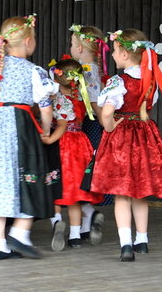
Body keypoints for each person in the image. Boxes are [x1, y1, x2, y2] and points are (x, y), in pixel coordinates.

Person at [0, 15, 59, 261]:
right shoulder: (33, 71)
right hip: (20, 124)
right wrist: (44, 130)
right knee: (30, 176)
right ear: (29, 41)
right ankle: (20, 232)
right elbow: (45, 106)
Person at [91, 29, 162, 262]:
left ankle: (126, 244)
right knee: (140, 192)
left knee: (122, 193)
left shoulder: (119, 81)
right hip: (145, 136)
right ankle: (142, 240)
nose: (114, 56)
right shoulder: (151, 82)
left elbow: (107, 112)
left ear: (126, 55)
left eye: (116, 51)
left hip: (122, 138)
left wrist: (108, 127)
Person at [42, 58, 103, 250]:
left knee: (55, 188)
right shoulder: (80, 97)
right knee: (76, 194)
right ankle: (75, 236)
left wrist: (50, 139)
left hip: (62, 145)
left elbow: (61, 124)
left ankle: (57, 221)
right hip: (80, 143)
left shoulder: (58, 99)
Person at [69, 24, 111, 239]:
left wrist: (106, 125)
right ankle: (86, 223)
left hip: (90, 126)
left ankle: (89, 212)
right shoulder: (94, 69)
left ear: (79, 49)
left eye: (73, 44)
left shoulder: (87, 71)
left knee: (80, 174)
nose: (71, 47)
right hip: (92, 124)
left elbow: (94, 103)